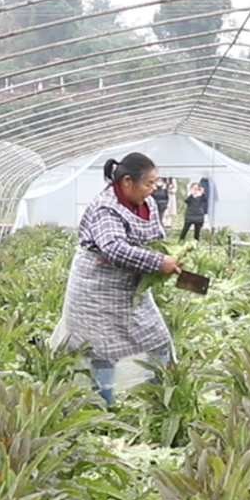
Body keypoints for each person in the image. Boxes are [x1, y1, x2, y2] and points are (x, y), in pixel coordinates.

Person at [53, 152, 178, 405]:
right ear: (128, 182)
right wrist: (156, 262)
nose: (152, 189)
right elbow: (113, 248)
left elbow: (156, 235)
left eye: (155, 183)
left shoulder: (148, 204)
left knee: (157, 337)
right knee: (101, 350)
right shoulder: (105, 207)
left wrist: (162, 256)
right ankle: (104, 408)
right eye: (148, 183)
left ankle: (159, 398)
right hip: (96, 289)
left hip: (131, 287)